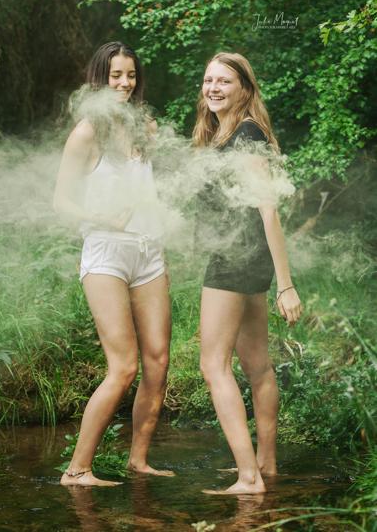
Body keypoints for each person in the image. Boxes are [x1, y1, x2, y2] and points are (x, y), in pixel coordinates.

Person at [54, 41, 173, 486]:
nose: (124, 84)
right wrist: (100, 216)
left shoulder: (145, 128)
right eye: (115, 76)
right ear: (99, 79)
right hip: (105, 251)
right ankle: (77, 469)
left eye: (130, 76)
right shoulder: (87, 132)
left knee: (158, 361)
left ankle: (138, 461)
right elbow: (61, 201)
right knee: (124, 366)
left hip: (149, 251)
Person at [193, 52, 302, 495]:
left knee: (212, 365)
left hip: (235, 260)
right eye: (208, 81)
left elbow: (268, 209)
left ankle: (248, 478)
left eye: (224, 81)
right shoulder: (226, 134)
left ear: (244, 88)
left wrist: (287, 283)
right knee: (257, 365)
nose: (214, 88)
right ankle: (266, 464)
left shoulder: (246, 136)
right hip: (243, 256)